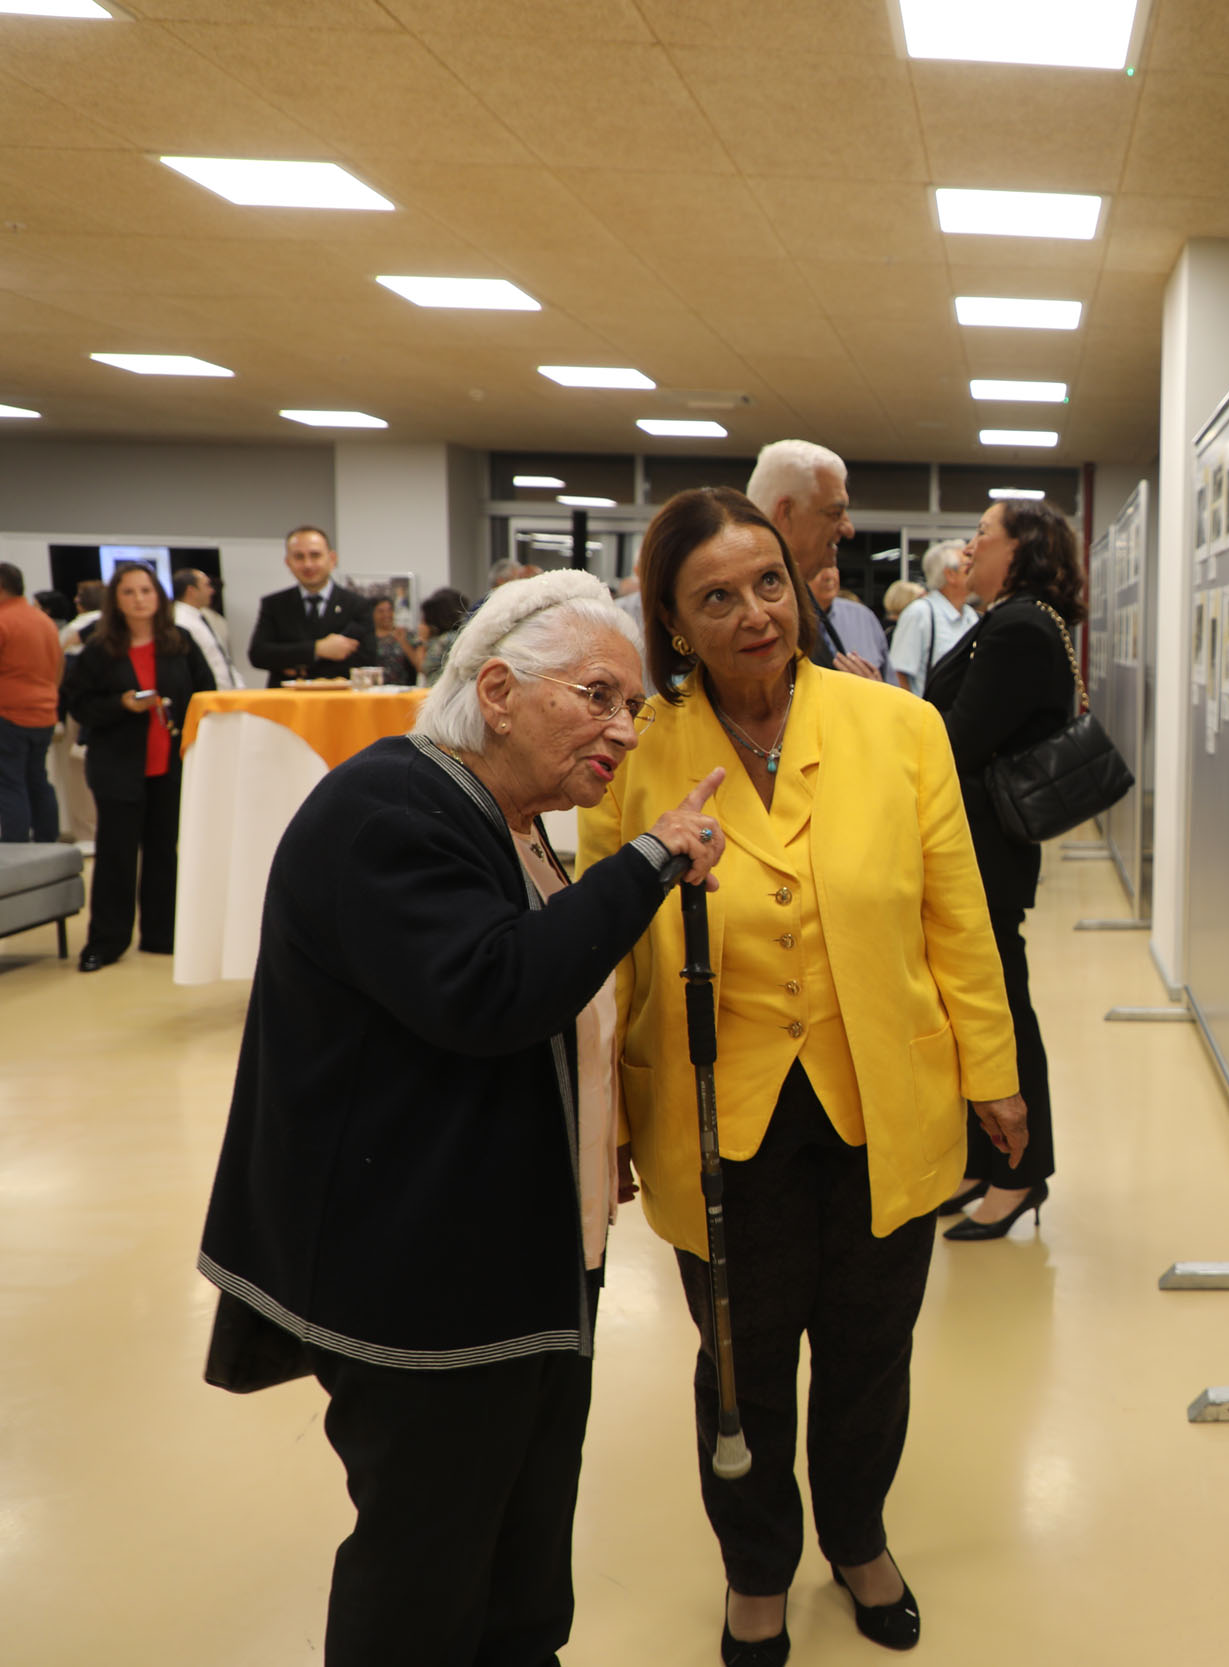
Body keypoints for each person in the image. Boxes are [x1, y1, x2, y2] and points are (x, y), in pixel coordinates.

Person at [198, 571, 727, 1665]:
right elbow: (494, 991)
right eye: (599, 696)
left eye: (634, 706)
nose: (624, 730)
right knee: (427, 1572)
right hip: (424, 1282)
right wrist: (651, 858)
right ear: (496, 689)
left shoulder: (500, 813)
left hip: (515, 1264)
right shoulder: (390, 809)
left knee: (520, 1567)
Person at [577, 487, 1023, 1664]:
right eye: (713, 597)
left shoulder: (898, 728)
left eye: (768, 582)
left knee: (873, 1346)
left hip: (885, 1095)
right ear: (671, 622)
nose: (753, 614)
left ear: (800, 583)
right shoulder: (638, 753)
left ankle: (861, 1536)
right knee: (741, 1354)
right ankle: (756, 1569)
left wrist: (994, 1070)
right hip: (718, 1106)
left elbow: (956, 918)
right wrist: (604, 1117)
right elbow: (605, 950)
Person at [923, 498, 1087, 1241]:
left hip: (984, 850)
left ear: (1020, 548)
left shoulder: (1019, 627)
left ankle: (1021, 1173)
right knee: (975, 1007)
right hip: (978, 846)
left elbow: (957, 739)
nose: (968, 548)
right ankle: (982, 1160)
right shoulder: (1012, 620)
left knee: (999, 1011)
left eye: (981, 534)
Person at [61, 565, 215, 969]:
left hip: (170, 762)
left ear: (158, 596)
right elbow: (78, 703)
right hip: (118, 765)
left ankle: (162, 935)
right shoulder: (99, 649)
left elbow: (205, 693)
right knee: (116, 854)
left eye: (146, 590)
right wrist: (122, 705)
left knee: (164, 850)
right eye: (129, 592)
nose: (139, 599)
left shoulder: (179, 643)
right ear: (117, 600)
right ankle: (107, 942)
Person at [745, 440, 887, 682]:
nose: (849, 529)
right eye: (835, 513)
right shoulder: (750, 610)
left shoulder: (797, 592)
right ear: (785, 512)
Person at [248, 525, 376, 685]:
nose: (308, 564)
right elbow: (259, 655)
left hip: (339, 702)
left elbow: (367, 658)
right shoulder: (274, 604)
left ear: (332, 559)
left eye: (315, 555)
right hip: (288, 703)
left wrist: (291, 660)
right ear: (288, 562)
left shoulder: (357, 605)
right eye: (299, 557)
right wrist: (318, 649)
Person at [0, 562, 62, 844]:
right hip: (44, 713)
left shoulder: (4, 621)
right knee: (37, 781)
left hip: (9, 714)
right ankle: (47, 844)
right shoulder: (43, 621)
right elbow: (58, 668)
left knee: (10, 784)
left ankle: (15, 853)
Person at [887, 542, 979, 697]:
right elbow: (898, 675)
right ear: (950, 574)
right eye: (967, 566)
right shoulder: (920, 613)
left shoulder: (972, 616)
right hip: (928, 717)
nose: (973, 571)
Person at [171, 569, 241, 690]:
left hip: (222, 693)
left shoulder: (200, 616)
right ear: (191, 591)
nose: (212, 591)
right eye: (207, 585)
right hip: (208, 696)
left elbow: (219, 657)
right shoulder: (180, 621)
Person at [416, 586, 469, 686]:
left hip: (441, 692)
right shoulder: (462, 634)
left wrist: (422, 639)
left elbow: (423, 667)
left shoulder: (444, 640)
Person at [368, 596, 420, 686]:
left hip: (404, 690)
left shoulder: (406, 634)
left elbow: (419, 664)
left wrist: (403, 642)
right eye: (381, 611)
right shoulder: (367, 638)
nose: (386, 614)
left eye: (389, 610)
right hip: (375, 691)